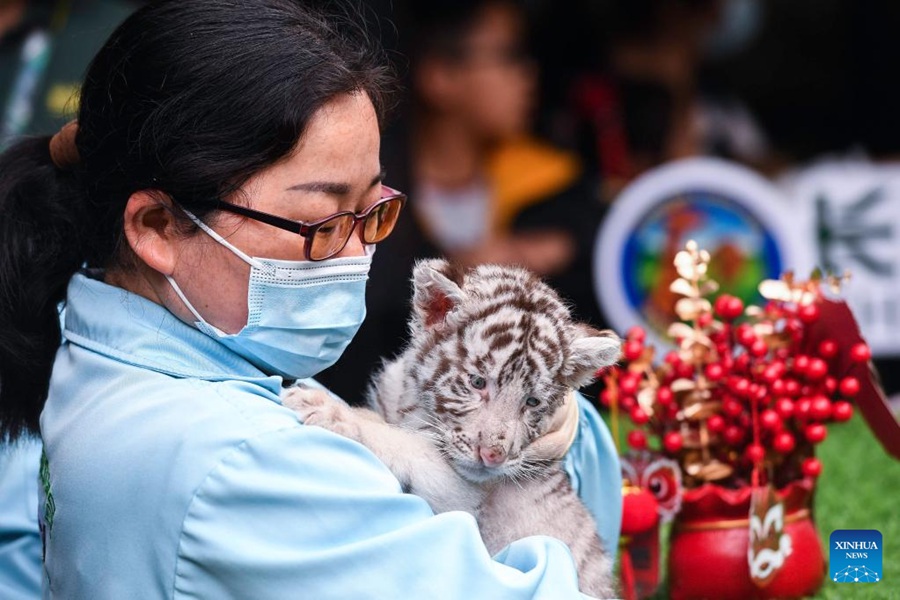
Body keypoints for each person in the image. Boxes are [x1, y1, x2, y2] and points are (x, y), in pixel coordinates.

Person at [0, 1, 621, 598]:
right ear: (159, 227)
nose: (357, 257)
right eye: (322, 225)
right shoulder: (247, 464)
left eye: (371, 213)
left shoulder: (113, 354)